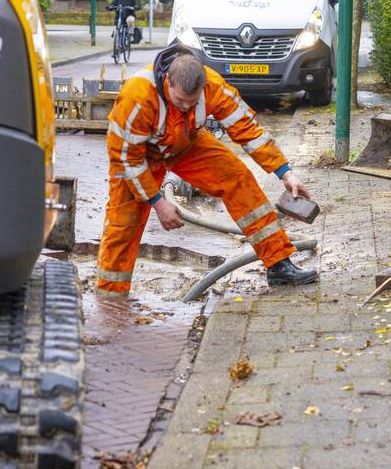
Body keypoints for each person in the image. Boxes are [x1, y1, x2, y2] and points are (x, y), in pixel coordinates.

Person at [96, 44, 319, 297]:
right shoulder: (137, 96)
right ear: (168, 81)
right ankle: (111, 296)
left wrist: (286, 174)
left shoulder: (213, 85)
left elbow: (248, 130)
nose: (184, 107)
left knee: (237, 178)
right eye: (179, 100)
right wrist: (158, 202)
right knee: (124, 222)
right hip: (138, 157)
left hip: (185, 142)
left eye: (192, 103)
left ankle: (279, 263)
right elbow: (127, 159)